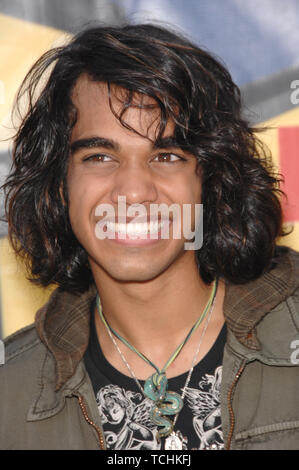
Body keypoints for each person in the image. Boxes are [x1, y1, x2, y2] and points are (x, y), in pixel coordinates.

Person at [0, 22, 299, 451]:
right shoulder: (10, 398)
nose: (134, 192)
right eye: (100, 156)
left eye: (167, 155)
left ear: (209, 180)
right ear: (60, 185)